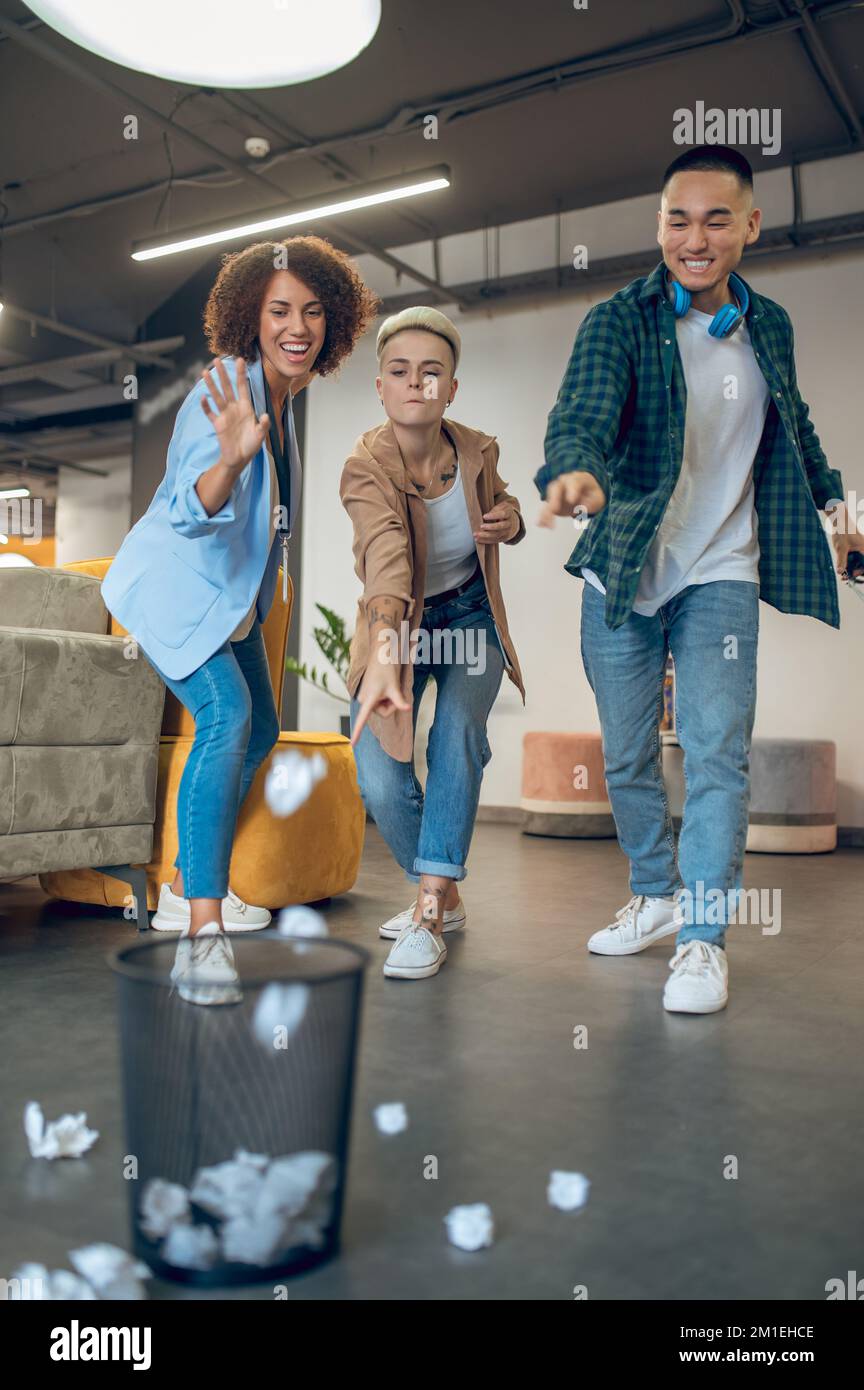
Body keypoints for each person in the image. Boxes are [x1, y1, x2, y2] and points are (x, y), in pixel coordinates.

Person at [536, 145, 846, 1015]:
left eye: (717, 218)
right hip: (624, 570)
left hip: (722, 570)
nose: (695, 237)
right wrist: (575, 472)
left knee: (715, 755)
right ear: (659, 225)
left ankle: (702, 938)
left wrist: (840, 509)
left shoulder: (768, 326)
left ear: (750, 225)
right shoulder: (620, 319)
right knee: (629, 756)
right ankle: (655, 893)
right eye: (678, 219)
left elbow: (800, 426)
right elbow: (581, 417)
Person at [102, 236, 377, 1003]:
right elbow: (194, 509)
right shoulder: (223, 389)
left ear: (334, 323)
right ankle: (201, 934)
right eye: (280, 310)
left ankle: (186, 886)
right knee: (227, 719)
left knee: (255, 728)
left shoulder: (282, 402)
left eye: (314, 311)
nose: (299, 326)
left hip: (230, 602)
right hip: (174, 589)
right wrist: (231, 460)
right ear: (250, 318)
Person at [341, 307, 526, 980]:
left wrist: (510, 521)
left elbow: (503, 504)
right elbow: (383, 553)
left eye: (431, 372)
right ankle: (448, 892)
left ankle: (427, 911)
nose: (415, 383)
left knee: (456, 734)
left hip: (473, 620)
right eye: (399, 371)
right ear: (382, 387)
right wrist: (388, 646)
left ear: (451, 388)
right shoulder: (365, 466)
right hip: (400, 625)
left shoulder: (477, 448)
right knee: (379, 775)